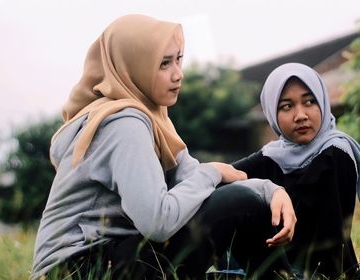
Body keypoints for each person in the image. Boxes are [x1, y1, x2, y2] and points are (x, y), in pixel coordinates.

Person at [30, 14, 297, 280]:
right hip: (78, 267)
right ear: (132, 67)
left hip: (120, 256)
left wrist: (270, 191)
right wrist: (213, 172)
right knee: (239, 203)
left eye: (178, 59)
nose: (178, 74)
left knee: (246, 204)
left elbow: (191, 177)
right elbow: (158, 222)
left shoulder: (154, 119)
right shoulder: (123, 125)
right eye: (164, 64)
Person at [231, 63, 360, 279]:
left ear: (322, 102)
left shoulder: (336, 153)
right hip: (279, 268)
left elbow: (329, 237)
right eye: (286, 106)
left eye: (309, 102)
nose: (300, 115)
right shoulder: (273, 155)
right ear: (272, 113)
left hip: (325, 272)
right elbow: (226, 176)